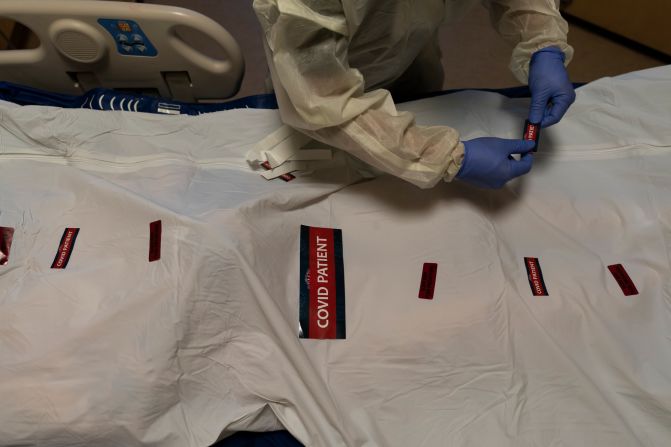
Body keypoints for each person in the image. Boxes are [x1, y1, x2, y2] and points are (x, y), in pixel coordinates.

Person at [252, 0, 576, 189]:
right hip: (322, 80)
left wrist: (543, 42)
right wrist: (448, 159)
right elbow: (322, 101)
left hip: (410, 58)